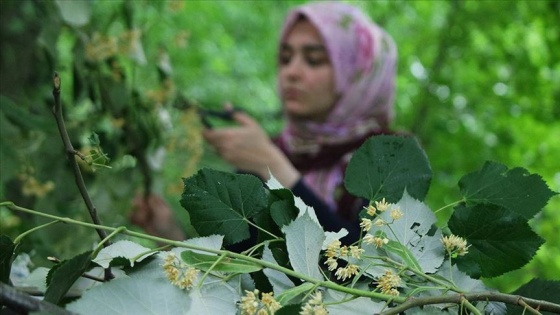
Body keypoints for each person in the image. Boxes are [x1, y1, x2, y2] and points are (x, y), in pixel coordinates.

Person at [202, 1, 397, 244]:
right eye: (285, 58)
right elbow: (232, 266)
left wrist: (276, 170)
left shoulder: (390, 160)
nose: (290, 72)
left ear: (357, 74)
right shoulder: (264, 154)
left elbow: (366, 270)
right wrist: (168, 234)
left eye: (314, 59)